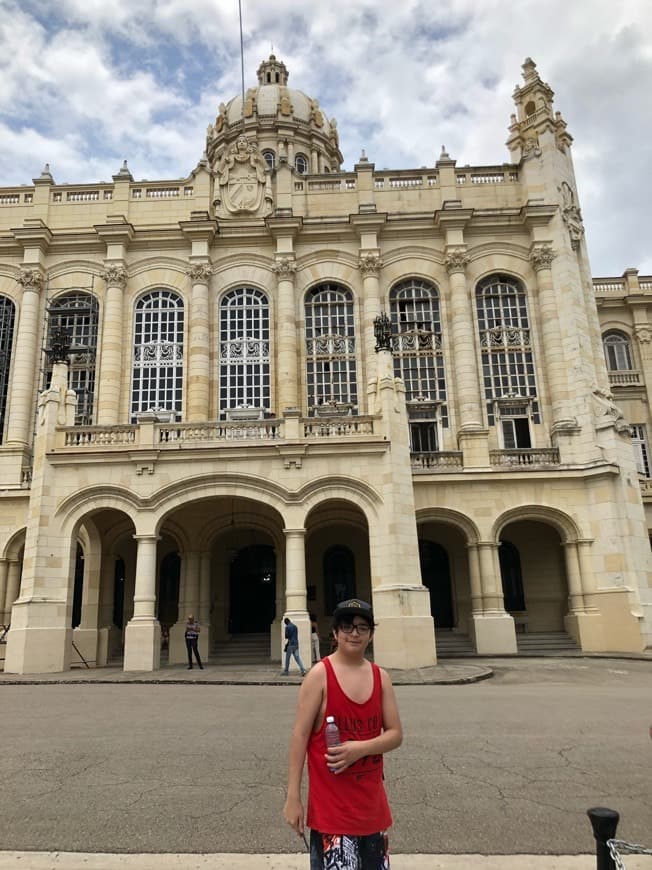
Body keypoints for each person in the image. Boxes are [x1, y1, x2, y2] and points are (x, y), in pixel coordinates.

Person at [283, 599, 402, 869]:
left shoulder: (380, 677)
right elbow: (299, 737)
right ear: (335, 633)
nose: (355, 633)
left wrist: (359, 749)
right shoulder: (319, 676)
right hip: (331, 817)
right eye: (347, 627)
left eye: (362, 627)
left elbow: (395, 734)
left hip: (373, 814)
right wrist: (293, 798)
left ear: (371, 634)